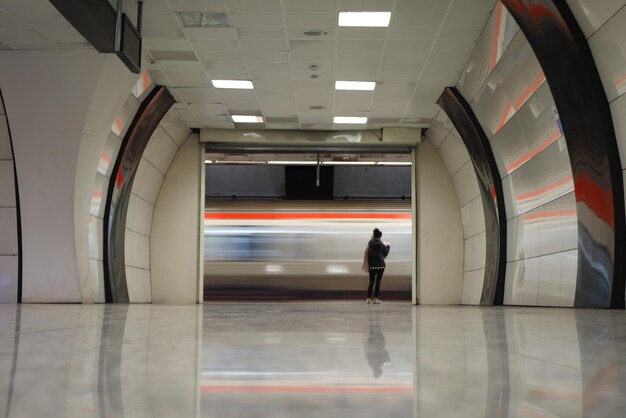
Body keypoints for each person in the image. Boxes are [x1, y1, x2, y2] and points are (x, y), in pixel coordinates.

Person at [366, 228, 390, 304]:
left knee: (371, 282)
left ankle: (368, 299)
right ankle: (376, 299)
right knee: (378, 282)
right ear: (379, 236)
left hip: (372, 265)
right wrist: (388, 247)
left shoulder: (369, 243)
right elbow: (385, 254)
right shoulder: (381, 244)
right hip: (380, 265)